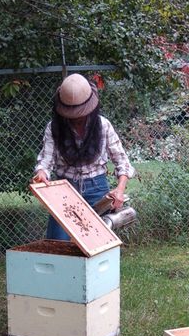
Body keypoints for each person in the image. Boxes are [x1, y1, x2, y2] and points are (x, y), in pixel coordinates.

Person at [32, 73, 135, 240]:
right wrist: (42, 173)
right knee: (58, 244)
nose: (77, 118)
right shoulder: (53, 128)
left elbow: (122, 161)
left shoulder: (103, 125)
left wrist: (120, 190)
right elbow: (45, 161)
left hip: (97, 190)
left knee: (98, 243)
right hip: (64, 191)